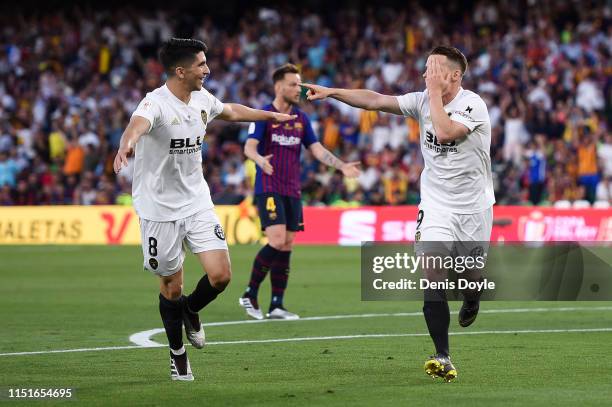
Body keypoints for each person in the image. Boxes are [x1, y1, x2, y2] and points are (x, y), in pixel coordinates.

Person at [302, 46, 495, 382]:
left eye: (432, 70)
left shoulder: (472, 105)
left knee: (471, 279)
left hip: (474, 209)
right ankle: (443, 355)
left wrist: (433, 94)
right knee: (432, 273)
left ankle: (472, 298)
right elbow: (375, 100)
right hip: (436, 205)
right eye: (426, 70)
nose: (425, 76)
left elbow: (446, 131)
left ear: (454, 76)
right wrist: (333, 92)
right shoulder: (422, 99)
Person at [113, 38, 295, 381]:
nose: (207, 70)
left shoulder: (201, 99)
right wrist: (126, 146)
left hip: (196, 201)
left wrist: (270, 115)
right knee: (171, 287)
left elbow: (232, 111)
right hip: (158, 209)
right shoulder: (155, 104)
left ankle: (192, 311)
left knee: (221, 275)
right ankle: (177, 353)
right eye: (201, 64)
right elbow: (136, 126)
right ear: (180, 71)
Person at [239, 63, 360, 320]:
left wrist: (342, 166)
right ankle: (249, 293)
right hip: (269, 186)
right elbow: (249, 147)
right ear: (278, 86)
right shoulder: (264, 115)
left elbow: (317, 150)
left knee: (287, 245)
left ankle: (276, 305)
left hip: (292, 190)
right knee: (277, 239)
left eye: (300, 83)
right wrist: (260, 160)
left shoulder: (301, 119)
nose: (299, 89)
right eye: (294, 84)